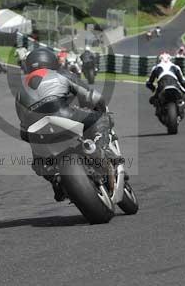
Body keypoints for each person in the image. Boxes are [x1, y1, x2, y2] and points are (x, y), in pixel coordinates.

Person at [15, 47, 115, 201]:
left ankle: (56, 180)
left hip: (36, 131)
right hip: (62, 114)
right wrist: (101, 108)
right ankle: (98, 151)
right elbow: (91, 96)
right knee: (102, 118)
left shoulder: (20, 90)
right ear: (51, 60)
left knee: (39, 162)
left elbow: (23, 124)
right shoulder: (61, 73)